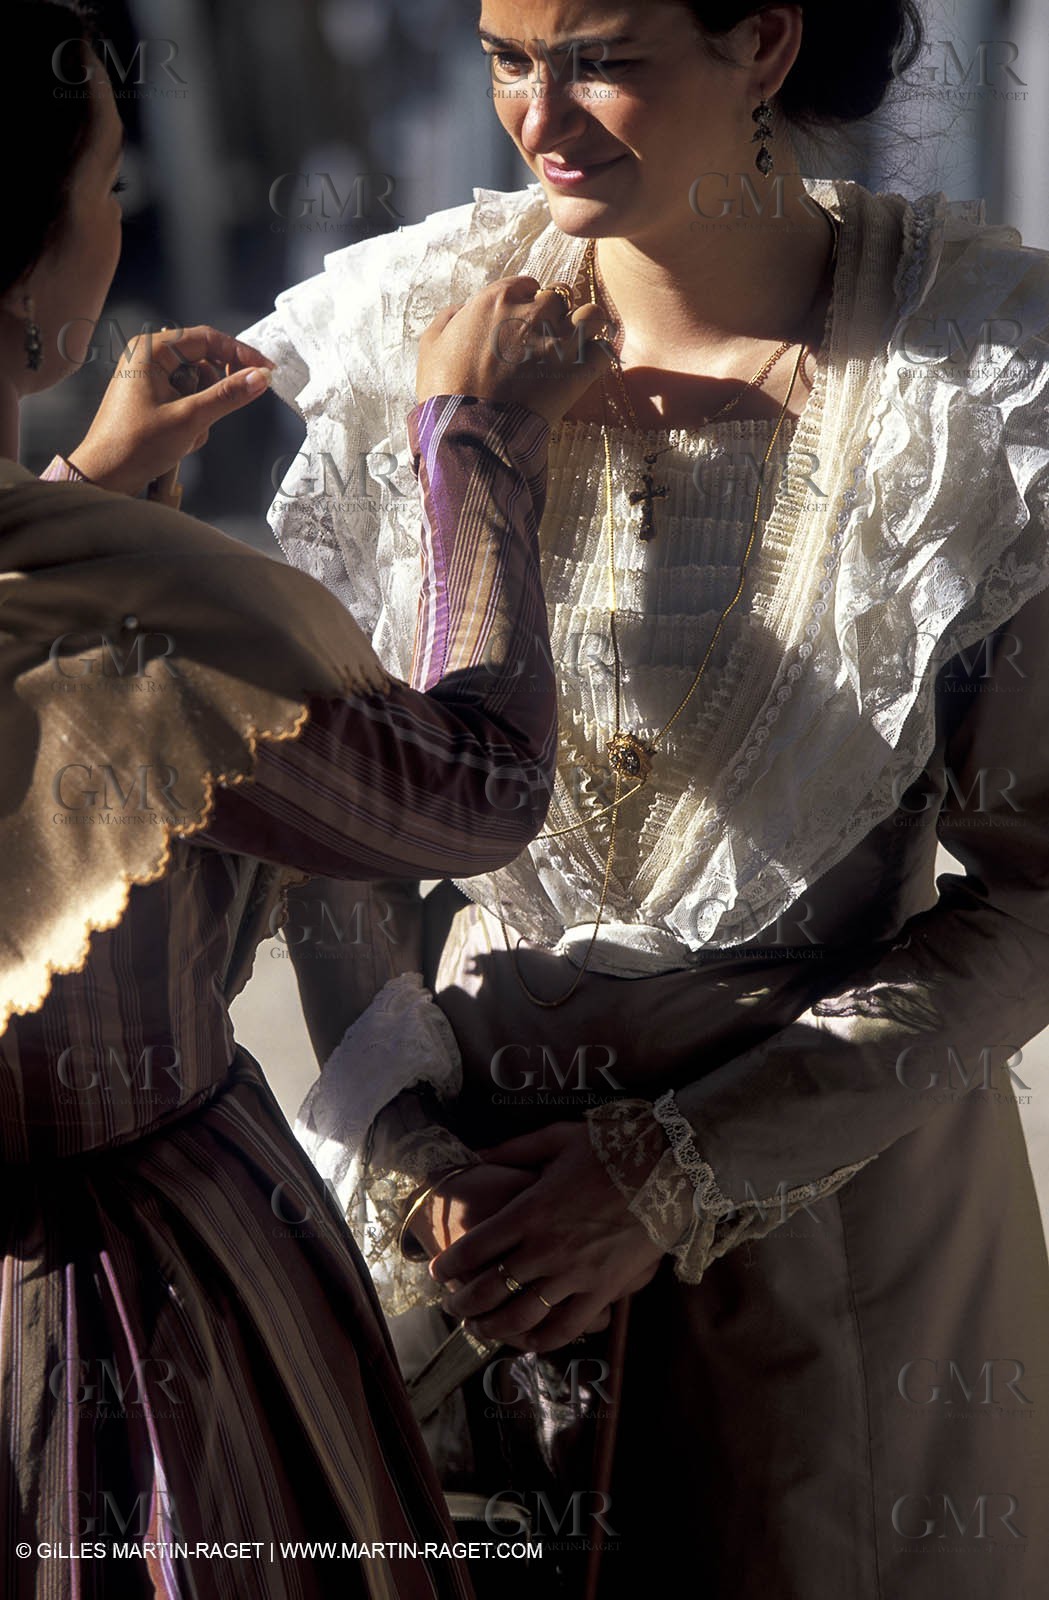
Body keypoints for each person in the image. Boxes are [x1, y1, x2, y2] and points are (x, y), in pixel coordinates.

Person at [244, 2, 1049, 1596]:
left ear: (761, 40)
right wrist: (400, 1149)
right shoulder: (393, 331)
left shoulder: (978, 383)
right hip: (469, 1234)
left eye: (600, 55)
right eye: (499, 55)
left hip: (832, 1223)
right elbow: (326, 846)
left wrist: (680, 1170)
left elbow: (1034, 888)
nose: (537, 112)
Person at [0, 3, 612, 1596]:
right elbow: (474, 788)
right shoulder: (131, 635)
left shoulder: (61, 584)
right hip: (135, 1297)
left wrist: (83, 497)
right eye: (107, 194)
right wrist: (472, 441)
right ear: (32, 280)